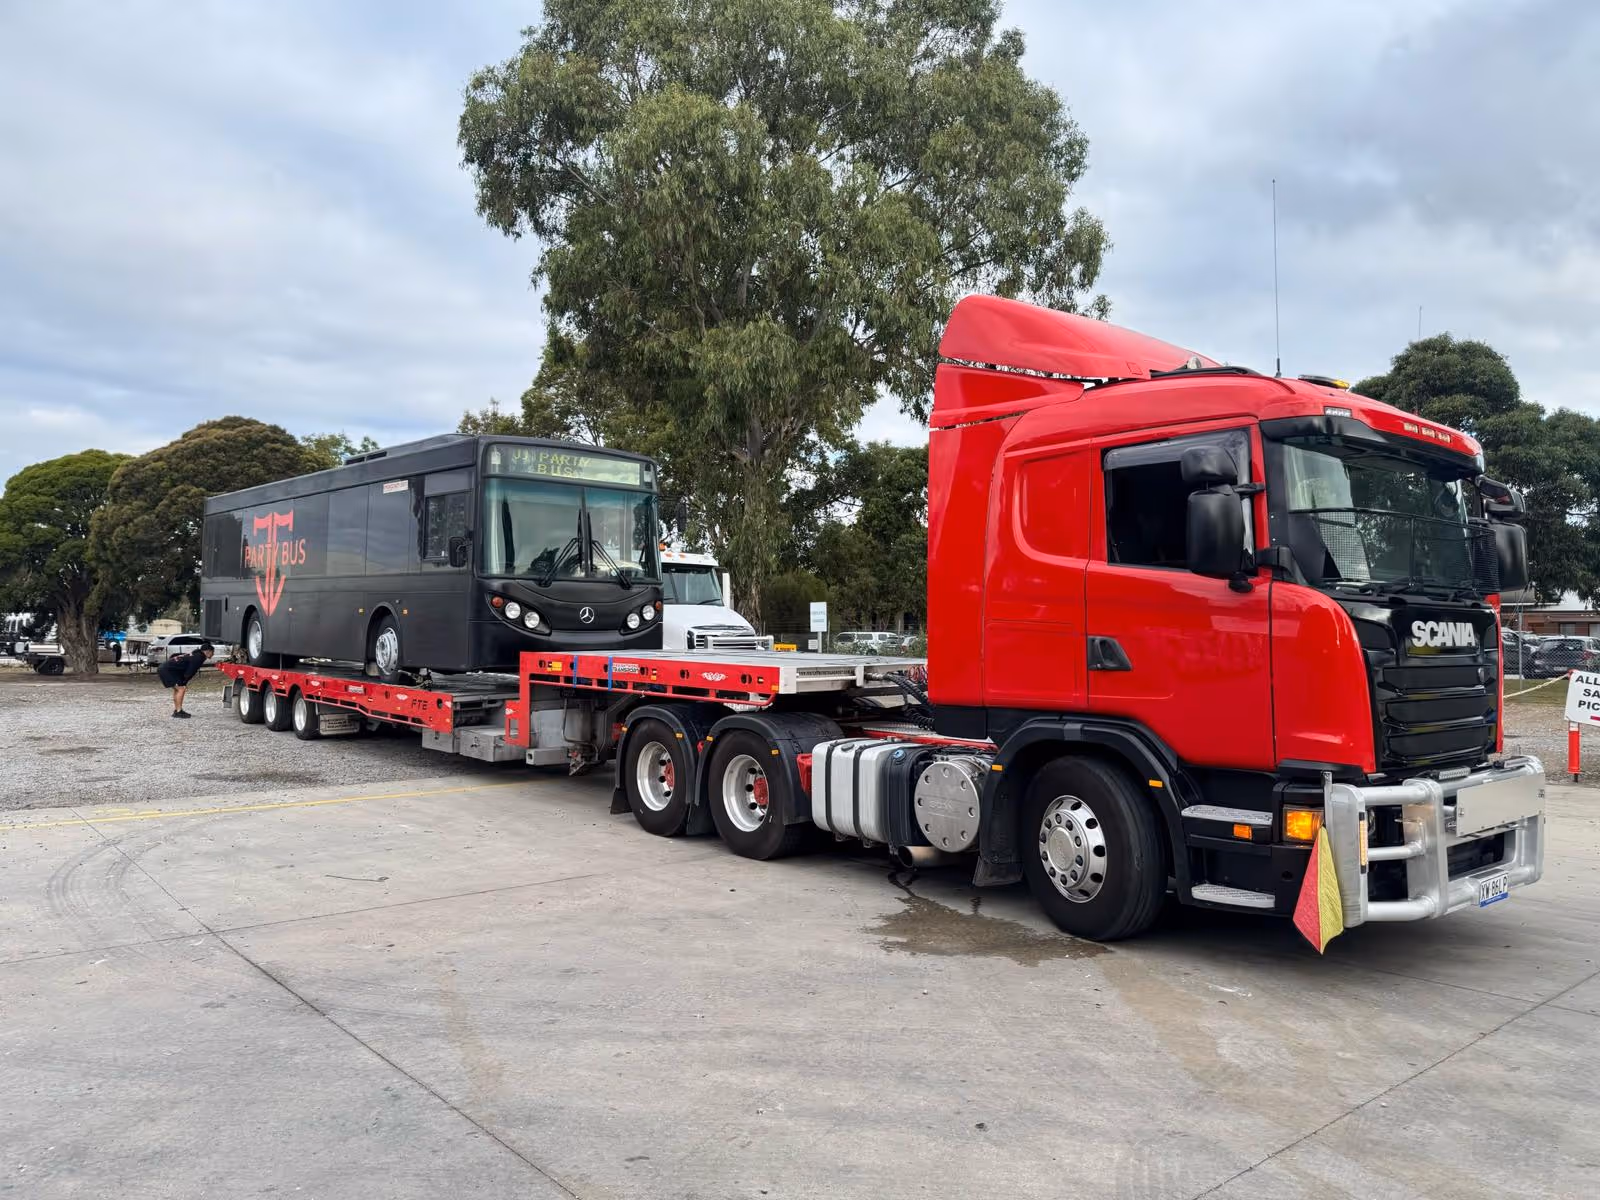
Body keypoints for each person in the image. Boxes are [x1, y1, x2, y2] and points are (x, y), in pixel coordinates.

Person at [157, 641, 214, 719]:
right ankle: (179, 712)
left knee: (178, 689)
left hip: (167, 668)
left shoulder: (196, 654)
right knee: (181, 689)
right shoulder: (199, 657)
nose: (213, 654)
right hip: (167, 670)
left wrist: (184, 682)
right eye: (212, 652)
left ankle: (177, 710)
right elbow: (190, 671)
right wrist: (184, 682)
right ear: (208, 651)